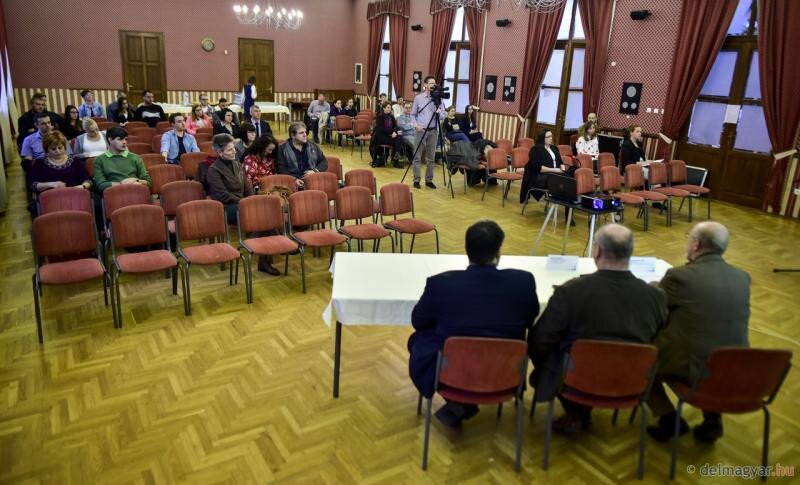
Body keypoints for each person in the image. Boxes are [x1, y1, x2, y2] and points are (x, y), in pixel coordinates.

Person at [528, 224, 668, 434]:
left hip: (577, 380)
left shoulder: (571, 292)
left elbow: (540, 340)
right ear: (630, 252)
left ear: (598, 251)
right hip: (631, 379)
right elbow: (658, 342)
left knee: (553, 354)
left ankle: (575, 412)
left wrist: (546, 367)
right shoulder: (656, 297)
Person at [408, 220, 539, 426]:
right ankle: (462, 403)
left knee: (418, 340)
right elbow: (531, 318)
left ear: (466, 249)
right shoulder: (523, 282)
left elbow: (418, 322)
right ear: (498, 252)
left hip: (454, 374)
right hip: (505, 372)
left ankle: (460, 402)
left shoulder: (440, 284)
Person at [646, 222, 750, 444]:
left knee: (640, 358)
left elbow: (656, 305)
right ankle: (712, 418)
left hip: (695, 367)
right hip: (735, 366)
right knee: (709, 338)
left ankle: (668, 419)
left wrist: (654, 285)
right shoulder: (742, 277)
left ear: (696, 244)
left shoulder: (680, 276)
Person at [241, 134, 281, 276]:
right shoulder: (250, 159)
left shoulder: (269, 159)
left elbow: (273, 176)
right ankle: (278, 242)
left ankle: (268, 253)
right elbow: (250, 181)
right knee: (267, 217)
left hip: (269, 193)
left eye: (272, 150)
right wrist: (266, 181)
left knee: (275, 210)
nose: (270, 153)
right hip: (253, 194)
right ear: (261, 147)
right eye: (268, 150)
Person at [206, 133, 253, 224]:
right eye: (230, 150)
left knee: (261, 206)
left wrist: (252, 199)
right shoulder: (213, 170)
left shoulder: (237, 164)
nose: (234, 152)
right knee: (251, 211)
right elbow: (223, 195)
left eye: (234, 148)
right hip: (227, 207)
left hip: (242, 202)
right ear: (220, 152)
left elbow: (247, 187)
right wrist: (244, 201)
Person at [29, 131, 92, 195]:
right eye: (53, 149)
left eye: (60, 148)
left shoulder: (75, 161)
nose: (58, 151)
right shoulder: (39, 163)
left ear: (64, 147)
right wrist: (50, 184)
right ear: (47, 150)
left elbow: (88, 181)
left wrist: (81, 187)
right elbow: (33, 185)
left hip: (75, 195)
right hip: (51, 197)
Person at [411, 75, 446, 189]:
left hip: (433, 131)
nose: (433, 85)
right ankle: (416, 180)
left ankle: (429, 180)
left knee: (431, 158)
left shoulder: (439, 99)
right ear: (425, 85)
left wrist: (439, 112)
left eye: (434, 83)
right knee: (417, 156)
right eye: (431, 83)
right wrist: (416, 126)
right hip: (421, 130)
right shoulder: (418, 98)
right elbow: (412, 115)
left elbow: (443, 115)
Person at [92, 126, 152, 193]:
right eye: (120, 139)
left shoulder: (135, 157)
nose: (124, 142)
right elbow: (100, 185)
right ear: (110, 140)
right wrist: (122, 184)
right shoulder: (99, 160)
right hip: (114, 193)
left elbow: (148, 182)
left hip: (136, 192)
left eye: (125, 139)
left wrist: (136, 180)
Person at [519, 129, 566, 203]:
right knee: (559, 181)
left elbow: (560, 162)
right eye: (548, 137)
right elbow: (538, 168)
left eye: (551, 136)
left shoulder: (554, 148)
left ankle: (566, 203)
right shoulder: (536, 149)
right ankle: (557, 202)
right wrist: (555, 170)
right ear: (542, 138)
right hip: (540, 176)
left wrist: (562, 168)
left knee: (569, 178)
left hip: (555, 174)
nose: (551, 138)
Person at [276, 122, 328, 189]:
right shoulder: (282, 149)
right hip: (293, 182)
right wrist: (293, 179)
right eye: (301, 133)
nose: (305, 135)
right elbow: (281, 168)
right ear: (293, 135)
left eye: (305, 132)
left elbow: (324, 161)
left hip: (312, 180)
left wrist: (314, 171)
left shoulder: (313, 146)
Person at [369, 102, 399, 167]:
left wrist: (394, 132)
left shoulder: (391, 116)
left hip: (389, 135)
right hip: (381, 137)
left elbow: (395, 126)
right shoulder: (380, 117)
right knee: (396, 141)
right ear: (384, 108)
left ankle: (395, 159)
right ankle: (395, 160)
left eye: (390, 108)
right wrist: (392, 133)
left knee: (399, 139)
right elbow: (381, 129)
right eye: (388, 107)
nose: (389, 109)